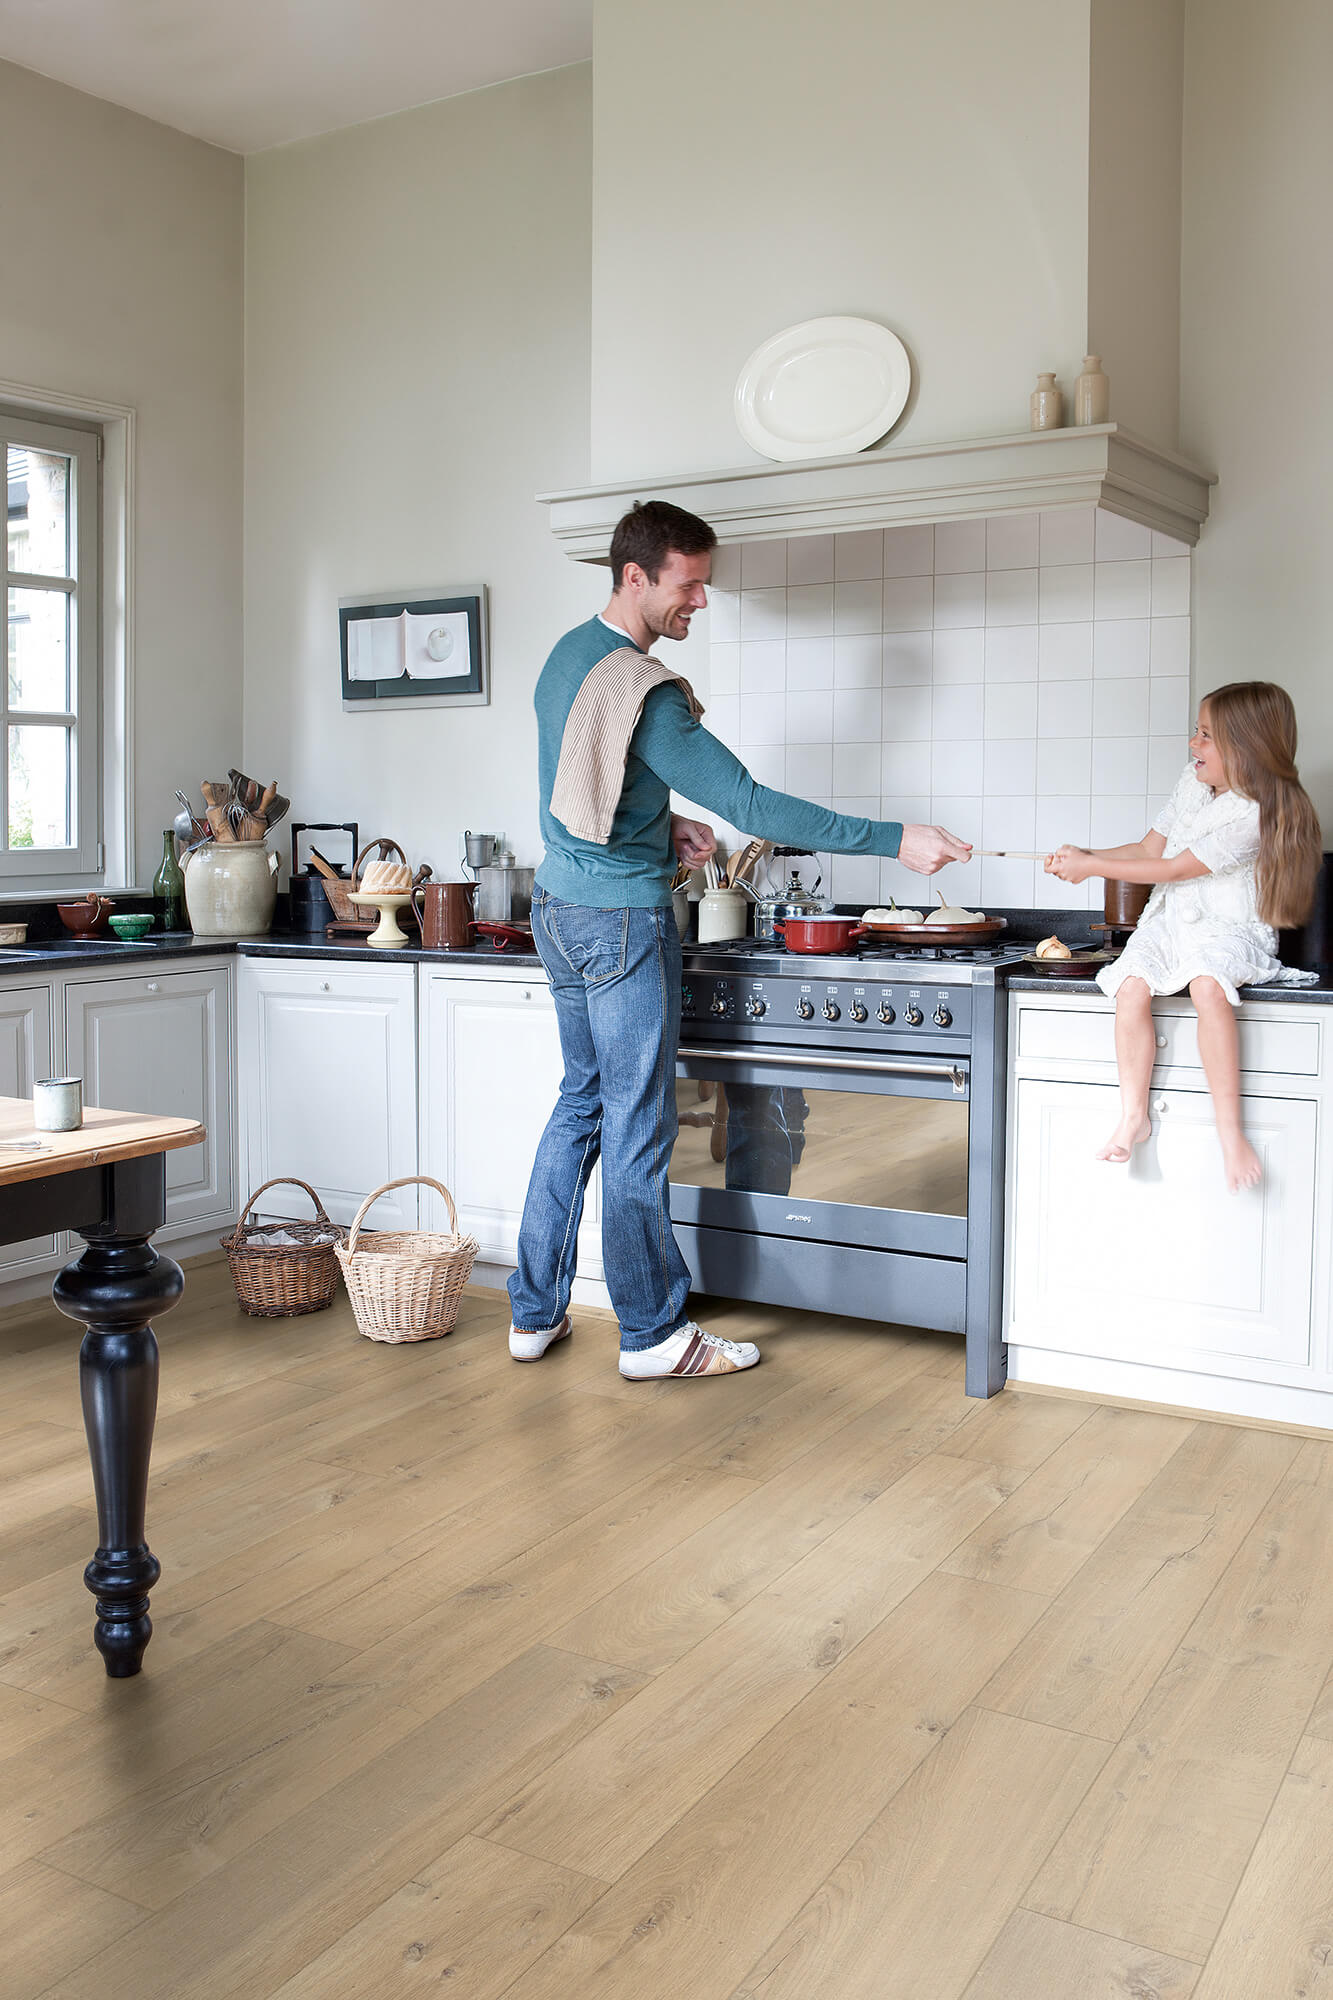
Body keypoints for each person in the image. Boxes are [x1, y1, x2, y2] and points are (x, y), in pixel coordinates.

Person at [506, 498, 972, 1379]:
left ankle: (532, 1314)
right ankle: (650, 1335)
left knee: (580, 1109)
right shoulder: (647, 693)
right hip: (617, 924)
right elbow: (753, 806)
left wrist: (662, 820)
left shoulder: (569, 658)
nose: (702, 603)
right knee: (638, 1128)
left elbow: (578, 784)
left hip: (559, 910)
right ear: (635, 576)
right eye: (689, 585)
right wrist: (894, 838)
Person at [1045, 682, 1322, 1193]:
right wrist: (1083, 855)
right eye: (1198, 731)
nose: (1193, 744)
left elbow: (1173, 868)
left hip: (1230, 930)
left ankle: (1230, 1132)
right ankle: (1133, 1115)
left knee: (1207, 985)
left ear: (1246, 747)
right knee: (1130, 985)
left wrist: (1090, 868)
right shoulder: (1191, 785)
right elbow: (1148, 847)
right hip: (1169, 924)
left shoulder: (1255, 813)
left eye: (1206, 735)